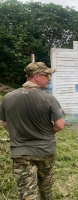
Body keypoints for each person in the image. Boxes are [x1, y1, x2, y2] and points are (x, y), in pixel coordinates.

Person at [0, 62, 65, 200]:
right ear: (36, 77)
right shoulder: (49, 99)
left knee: (27, 194)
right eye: (47, 75)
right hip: (45, 151)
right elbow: (60, 125)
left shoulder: (8, 98)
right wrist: (47, 132)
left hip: (20, 152)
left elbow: (6, 125)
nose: (49, 79)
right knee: (46, 186)